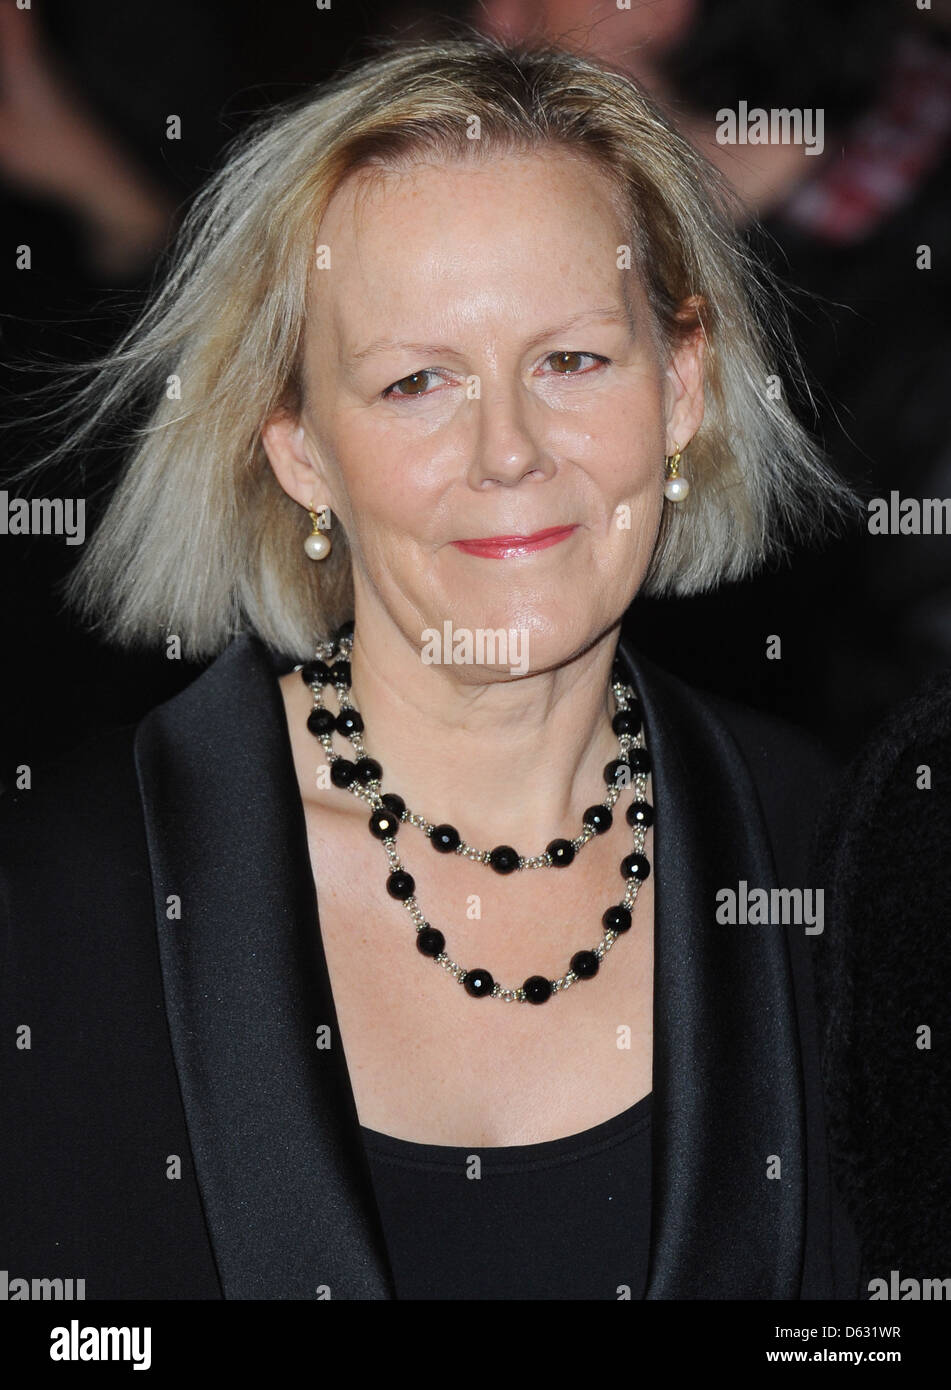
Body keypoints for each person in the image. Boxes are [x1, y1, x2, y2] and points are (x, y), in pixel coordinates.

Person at [0, 37, 864, 1300]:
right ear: (297, 449)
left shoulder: (840, 865)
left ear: (683, 386)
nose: (507, 450)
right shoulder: (61, 910)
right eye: (416, 381)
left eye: (571, 360)